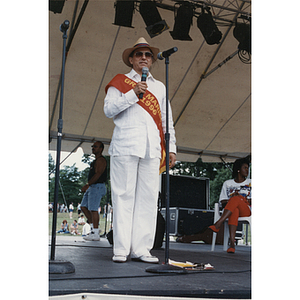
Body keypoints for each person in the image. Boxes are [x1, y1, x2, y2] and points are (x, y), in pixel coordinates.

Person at [104, 37, 177, 263]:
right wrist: (132, 93)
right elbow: (108, 110)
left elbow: (166, 120)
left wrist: (171, 147)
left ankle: (142, 248)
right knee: (123, 196)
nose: (143, 58)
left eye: (147, 55)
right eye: (139, 54)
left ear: (153, 60)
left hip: (152, 148)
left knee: (147, 199)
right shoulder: (120, 82)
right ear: (131, 59)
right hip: (126, 144)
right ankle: (121, 249)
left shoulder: (159, 87)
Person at [209, 157, 251, 253]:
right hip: (231, 210)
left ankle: (218, 223)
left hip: (246, 210)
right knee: (234, 209)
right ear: (238, 170)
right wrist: (234, 199)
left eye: (248, 168)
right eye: (245, 168)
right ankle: (232, 244)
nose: (247, 170)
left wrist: (241, 198)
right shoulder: (227, 183)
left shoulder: (251, 182)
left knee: (236, 199)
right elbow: (223, 202)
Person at [80, 141, 107, 241]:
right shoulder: (95, 161)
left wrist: (88, 184)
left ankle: (95, 233)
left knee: (93, 209)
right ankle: (93, 229)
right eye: (93, 146)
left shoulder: (101, 160)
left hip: (97, 186)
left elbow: (98, 174)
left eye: (95, 146)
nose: (93, 148)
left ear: (101, 149)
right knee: (83, 207)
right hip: (93, 187)